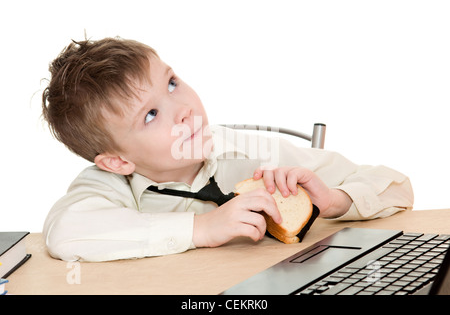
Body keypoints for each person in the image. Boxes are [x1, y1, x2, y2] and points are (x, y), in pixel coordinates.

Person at [41, 37, 414, 262]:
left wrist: (337, 200)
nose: (184, 108)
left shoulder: (246, 151)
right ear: (119, 160)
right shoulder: (106, 186)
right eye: (152, 114)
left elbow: (397, 187)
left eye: (172, 83)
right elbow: (64, 233)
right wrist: (201, 228)